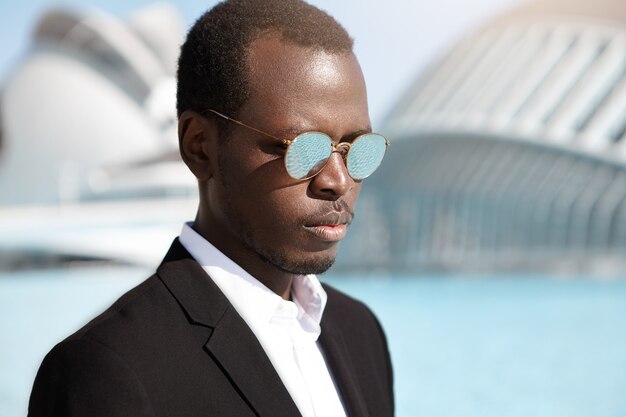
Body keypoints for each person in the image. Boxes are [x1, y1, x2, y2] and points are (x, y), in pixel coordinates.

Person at [28, 1, 394, 416]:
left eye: (357, 150)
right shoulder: (105, 370)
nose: (338, 181)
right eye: (304, 149)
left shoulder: (360, 333)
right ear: (199, 147)